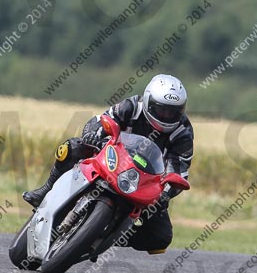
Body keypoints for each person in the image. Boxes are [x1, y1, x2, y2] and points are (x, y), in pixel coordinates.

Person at [23, 74, 193, 254]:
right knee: (71, 147)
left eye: (173, 112)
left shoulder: (183, 133)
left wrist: (166, 193)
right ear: (149, 101)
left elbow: (179, 169)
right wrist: (93, 134)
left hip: (145, 182)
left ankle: (113, 235)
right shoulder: (132, 107)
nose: (167, 116)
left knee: (161, 238)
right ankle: (46, 189)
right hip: (112, 157)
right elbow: (101, 120)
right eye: (162, 110)